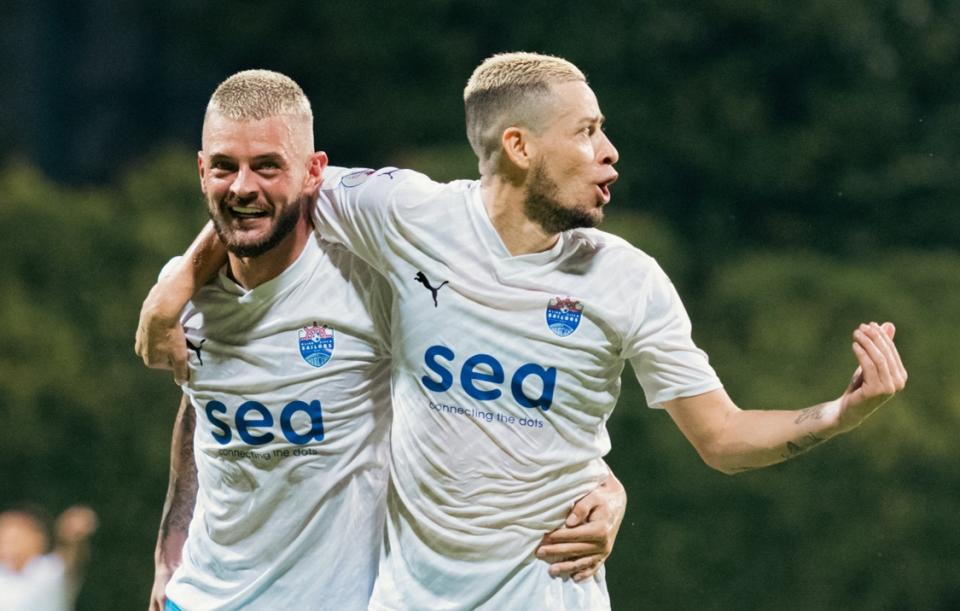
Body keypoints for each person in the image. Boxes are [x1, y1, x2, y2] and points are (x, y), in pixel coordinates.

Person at [138, 54, 907, 610]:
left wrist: (841, 412)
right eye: (588, 131)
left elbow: (724, 437)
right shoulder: (406, 215)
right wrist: (172, 290)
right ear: (519, 145)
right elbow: (260, 199)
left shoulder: (627, 280)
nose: (609, 152)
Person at [141, 70, 627, 611]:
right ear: (202, 170)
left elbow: (489, 385)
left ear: (312, 174)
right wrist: (171, 549)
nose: (242, 187)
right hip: (199, 599)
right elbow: (202, 407)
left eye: (267, 166)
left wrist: (602, 483)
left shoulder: (370, 283)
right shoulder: (189, 295)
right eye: (225, 167)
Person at [0, 504, 98, 611]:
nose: (5, 543)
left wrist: (72, 537)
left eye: (15, 537)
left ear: (39, 539)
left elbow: (70, 557)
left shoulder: (48, 570)